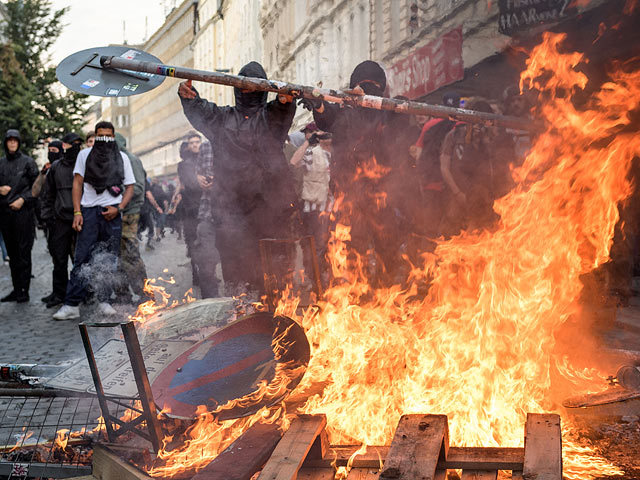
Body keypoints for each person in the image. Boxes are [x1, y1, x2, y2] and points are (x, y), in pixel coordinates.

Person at [178, 61, 297, 296]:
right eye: (244, 88)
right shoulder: (222, 119)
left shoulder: (271, 117)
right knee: (238, 278)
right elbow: (201, 110)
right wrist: (189, 98)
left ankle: (275, 319)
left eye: (252, 88)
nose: (248, 93)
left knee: (273, 275)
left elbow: (282, 109)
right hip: (231, 212)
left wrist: (285, 100)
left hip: (269, 210)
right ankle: (242, 317)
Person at [300, 60, 415, 284]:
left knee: (387, 250)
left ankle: (386, 293)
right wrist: (318, 105)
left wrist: (399, 106)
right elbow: (326, 117)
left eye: (372, 85)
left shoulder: (387, 112)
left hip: (381, 195)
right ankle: (353, 297)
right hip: (350, 196)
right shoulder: (345, 112)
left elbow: (403, 121)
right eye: (364, 84)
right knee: (352, 252)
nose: (367, 88)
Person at [53, 121, 135, 320]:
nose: (104, 139)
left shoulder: (122, 157)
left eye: (108, 136)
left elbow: (130, 186)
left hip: (112, 214)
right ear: (96, 136)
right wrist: (77, 212)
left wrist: (119, 209)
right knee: (82, 258)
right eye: (101, 135)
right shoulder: (84, 155)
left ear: (113, 137)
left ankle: (104, 301)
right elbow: (77, 183)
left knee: (109, 260)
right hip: (89, 212)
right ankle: (72, 304)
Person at [438, 100, 500, 236]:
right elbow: (445, 168)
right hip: (457, 198)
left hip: (480, 201)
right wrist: (458, 193)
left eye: (483, 122)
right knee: (450, 235)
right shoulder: (454, 136)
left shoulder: (488, 142)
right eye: (475, 121)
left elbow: (492, 171)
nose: (478, 125)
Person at [39, 133, 84, 308]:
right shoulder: (56, 167)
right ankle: (59, 293)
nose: (75, 147)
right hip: (60, 219)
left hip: (80, 217)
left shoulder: (83, 165)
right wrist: (47, 217)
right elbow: (48, 193)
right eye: (73, 144)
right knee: (59, 259)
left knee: (80, 258)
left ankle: (82, 292)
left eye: (78, 144)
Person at [0, 129, 39, 302]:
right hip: (5, 214)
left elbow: (37, 187)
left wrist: (23, 199)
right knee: (13, 254)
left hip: (24, 214)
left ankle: (24, 290)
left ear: (19, 142)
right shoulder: (1, 164)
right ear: (6, 143)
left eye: (15, 141)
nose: (12, 144)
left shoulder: (28, 162)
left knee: (24, 253)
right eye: (10, 141)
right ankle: (16, 289)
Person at [290, 128, 333, 275]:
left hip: (331, 208)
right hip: (311, 209)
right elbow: (294, 161)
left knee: (330, 245)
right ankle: (314, 279)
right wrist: (308, 143)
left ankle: (328, 280)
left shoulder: (337, 153)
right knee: (311, 245)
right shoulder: (312, 153)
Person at [114, 133, 150, 304]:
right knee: (116, 255)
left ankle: (145, 294)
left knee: (130, 254)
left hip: (129, 212)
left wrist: (115, 191)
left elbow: (137, 188)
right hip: (117, 213)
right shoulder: (114, 160)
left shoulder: (131, 160)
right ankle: (123, 294)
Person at [175, 135, 203, 286]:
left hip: (207, 210)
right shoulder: (184, 165)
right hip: (191, 211)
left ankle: (206, 272)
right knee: (193, 244)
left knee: (207, 244)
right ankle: (196, 273)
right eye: (192, 143)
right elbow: (191, 184)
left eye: (197, 142)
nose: (195, 145)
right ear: (188, 146)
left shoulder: (207, 160)